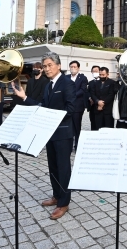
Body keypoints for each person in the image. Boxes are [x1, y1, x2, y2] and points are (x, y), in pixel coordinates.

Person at [12, 52, 75, 220]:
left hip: (63, 133)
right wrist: (24, 97)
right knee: (53, 167)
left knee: (63, 168)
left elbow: (72, 109)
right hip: (50, 133)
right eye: (45, 66)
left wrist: (52, 116)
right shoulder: (48, 85)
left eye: (49, 65)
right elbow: (42, 106)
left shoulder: (67, 83)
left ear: (58, 65)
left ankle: (64, 202)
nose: (46, 69)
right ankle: (56, 195)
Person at [66, 60, 88, 149]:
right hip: (68, 106)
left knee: (76, 126)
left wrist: (72, 95)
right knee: (68, 126)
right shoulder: (66, 77)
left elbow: (83, 90)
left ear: (78, 68)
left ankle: (77, 145)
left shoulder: (83, 78)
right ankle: (69, 145)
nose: (73, 68)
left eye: (75, 67)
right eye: (71, 67)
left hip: (78, 106)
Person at [87, 65, 100, 130]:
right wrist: (89, 98)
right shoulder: (90, 83)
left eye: (96, 71)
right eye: (93, 71)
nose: (95, 72)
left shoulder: (102, 82)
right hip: (92, 107)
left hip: (100, 106)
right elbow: (87, 92)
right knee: (93, 122)